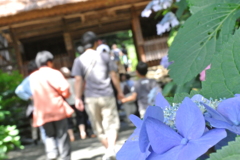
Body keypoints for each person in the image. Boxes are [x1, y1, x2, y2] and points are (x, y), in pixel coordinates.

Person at [71, 31, 124, 160]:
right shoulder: (105, 57)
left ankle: (109, 150)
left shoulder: (78, 60)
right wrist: (120, 92)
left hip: (90, 97)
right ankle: (111, 149)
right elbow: (114, 76)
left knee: (97, 126)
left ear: (83, 45)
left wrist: (77, 98)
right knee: (111, 124)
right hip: (107, 95)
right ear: (96, 43)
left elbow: (78, 80)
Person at [30, 51, 74, 160]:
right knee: (62, 134)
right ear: (49, 62)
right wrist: (65, 95)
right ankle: (65, 157)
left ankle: (52, 154)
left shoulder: (33, 77)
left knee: (49, 135)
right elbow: (65, 89)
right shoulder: (55, 73)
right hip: (57, 108)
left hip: (42, 111)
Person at [15, 60, 46, 145]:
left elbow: (18, 91)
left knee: (37, 123)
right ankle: (47, 142)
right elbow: (18, 90)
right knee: (44, 124)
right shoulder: (40, 77)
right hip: (42, 102)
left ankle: (36, 138)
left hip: (34, 104)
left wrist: (28, 97)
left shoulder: (27, 79)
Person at [60, 67, 87, 141]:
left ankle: (71, 136)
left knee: (68, 119)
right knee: (80, 116)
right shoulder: (75, 80)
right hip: (76, 100)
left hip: (67, 102)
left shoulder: (62, 82)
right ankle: (82, 132)